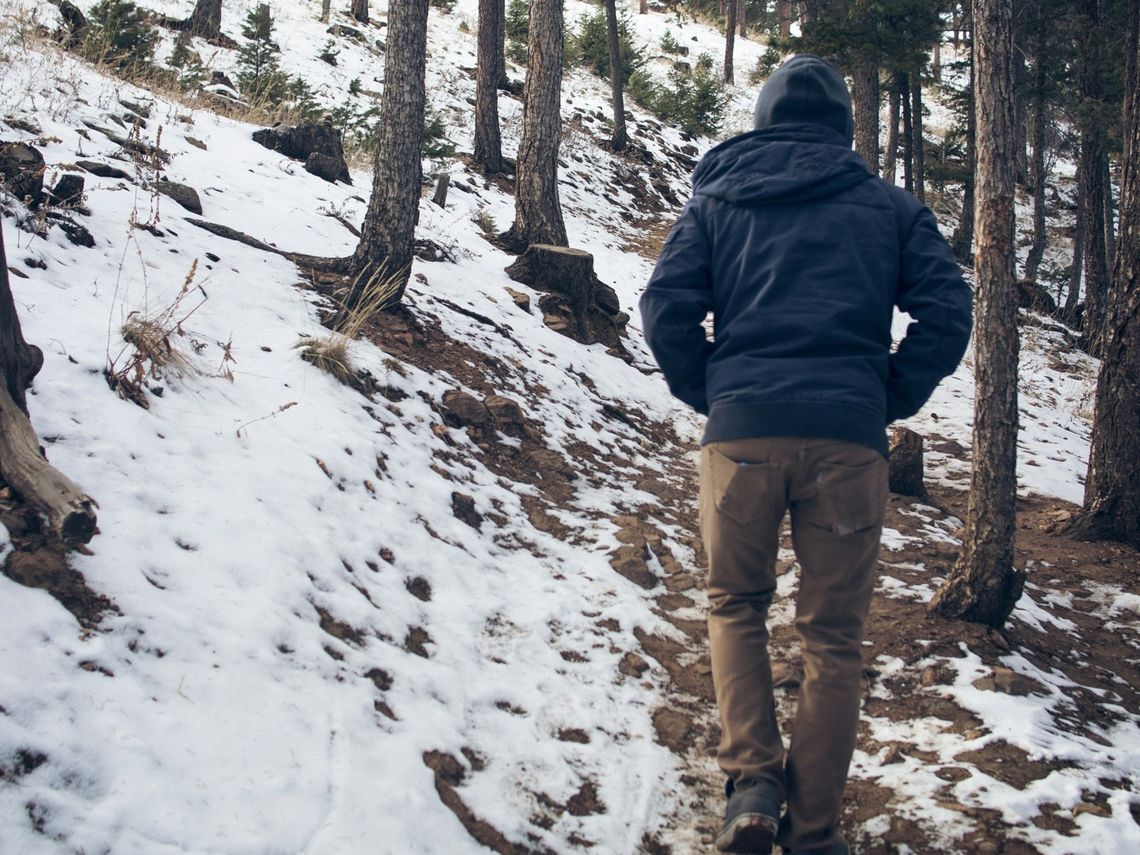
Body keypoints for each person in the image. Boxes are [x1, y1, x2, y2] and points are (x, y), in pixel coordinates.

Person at [639, 55, 972, 854]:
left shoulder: (718, 197)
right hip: (848, 442)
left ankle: (752, 781)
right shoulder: (888, 207)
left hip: (743, 431)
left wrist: (717, 393)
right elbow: (947, 308)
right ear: (844, 130)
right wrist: (883, 394)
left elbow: (665, 307)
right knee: (834, 639)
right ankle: (817, 828)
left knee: (735, 604)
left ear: (761, 121)